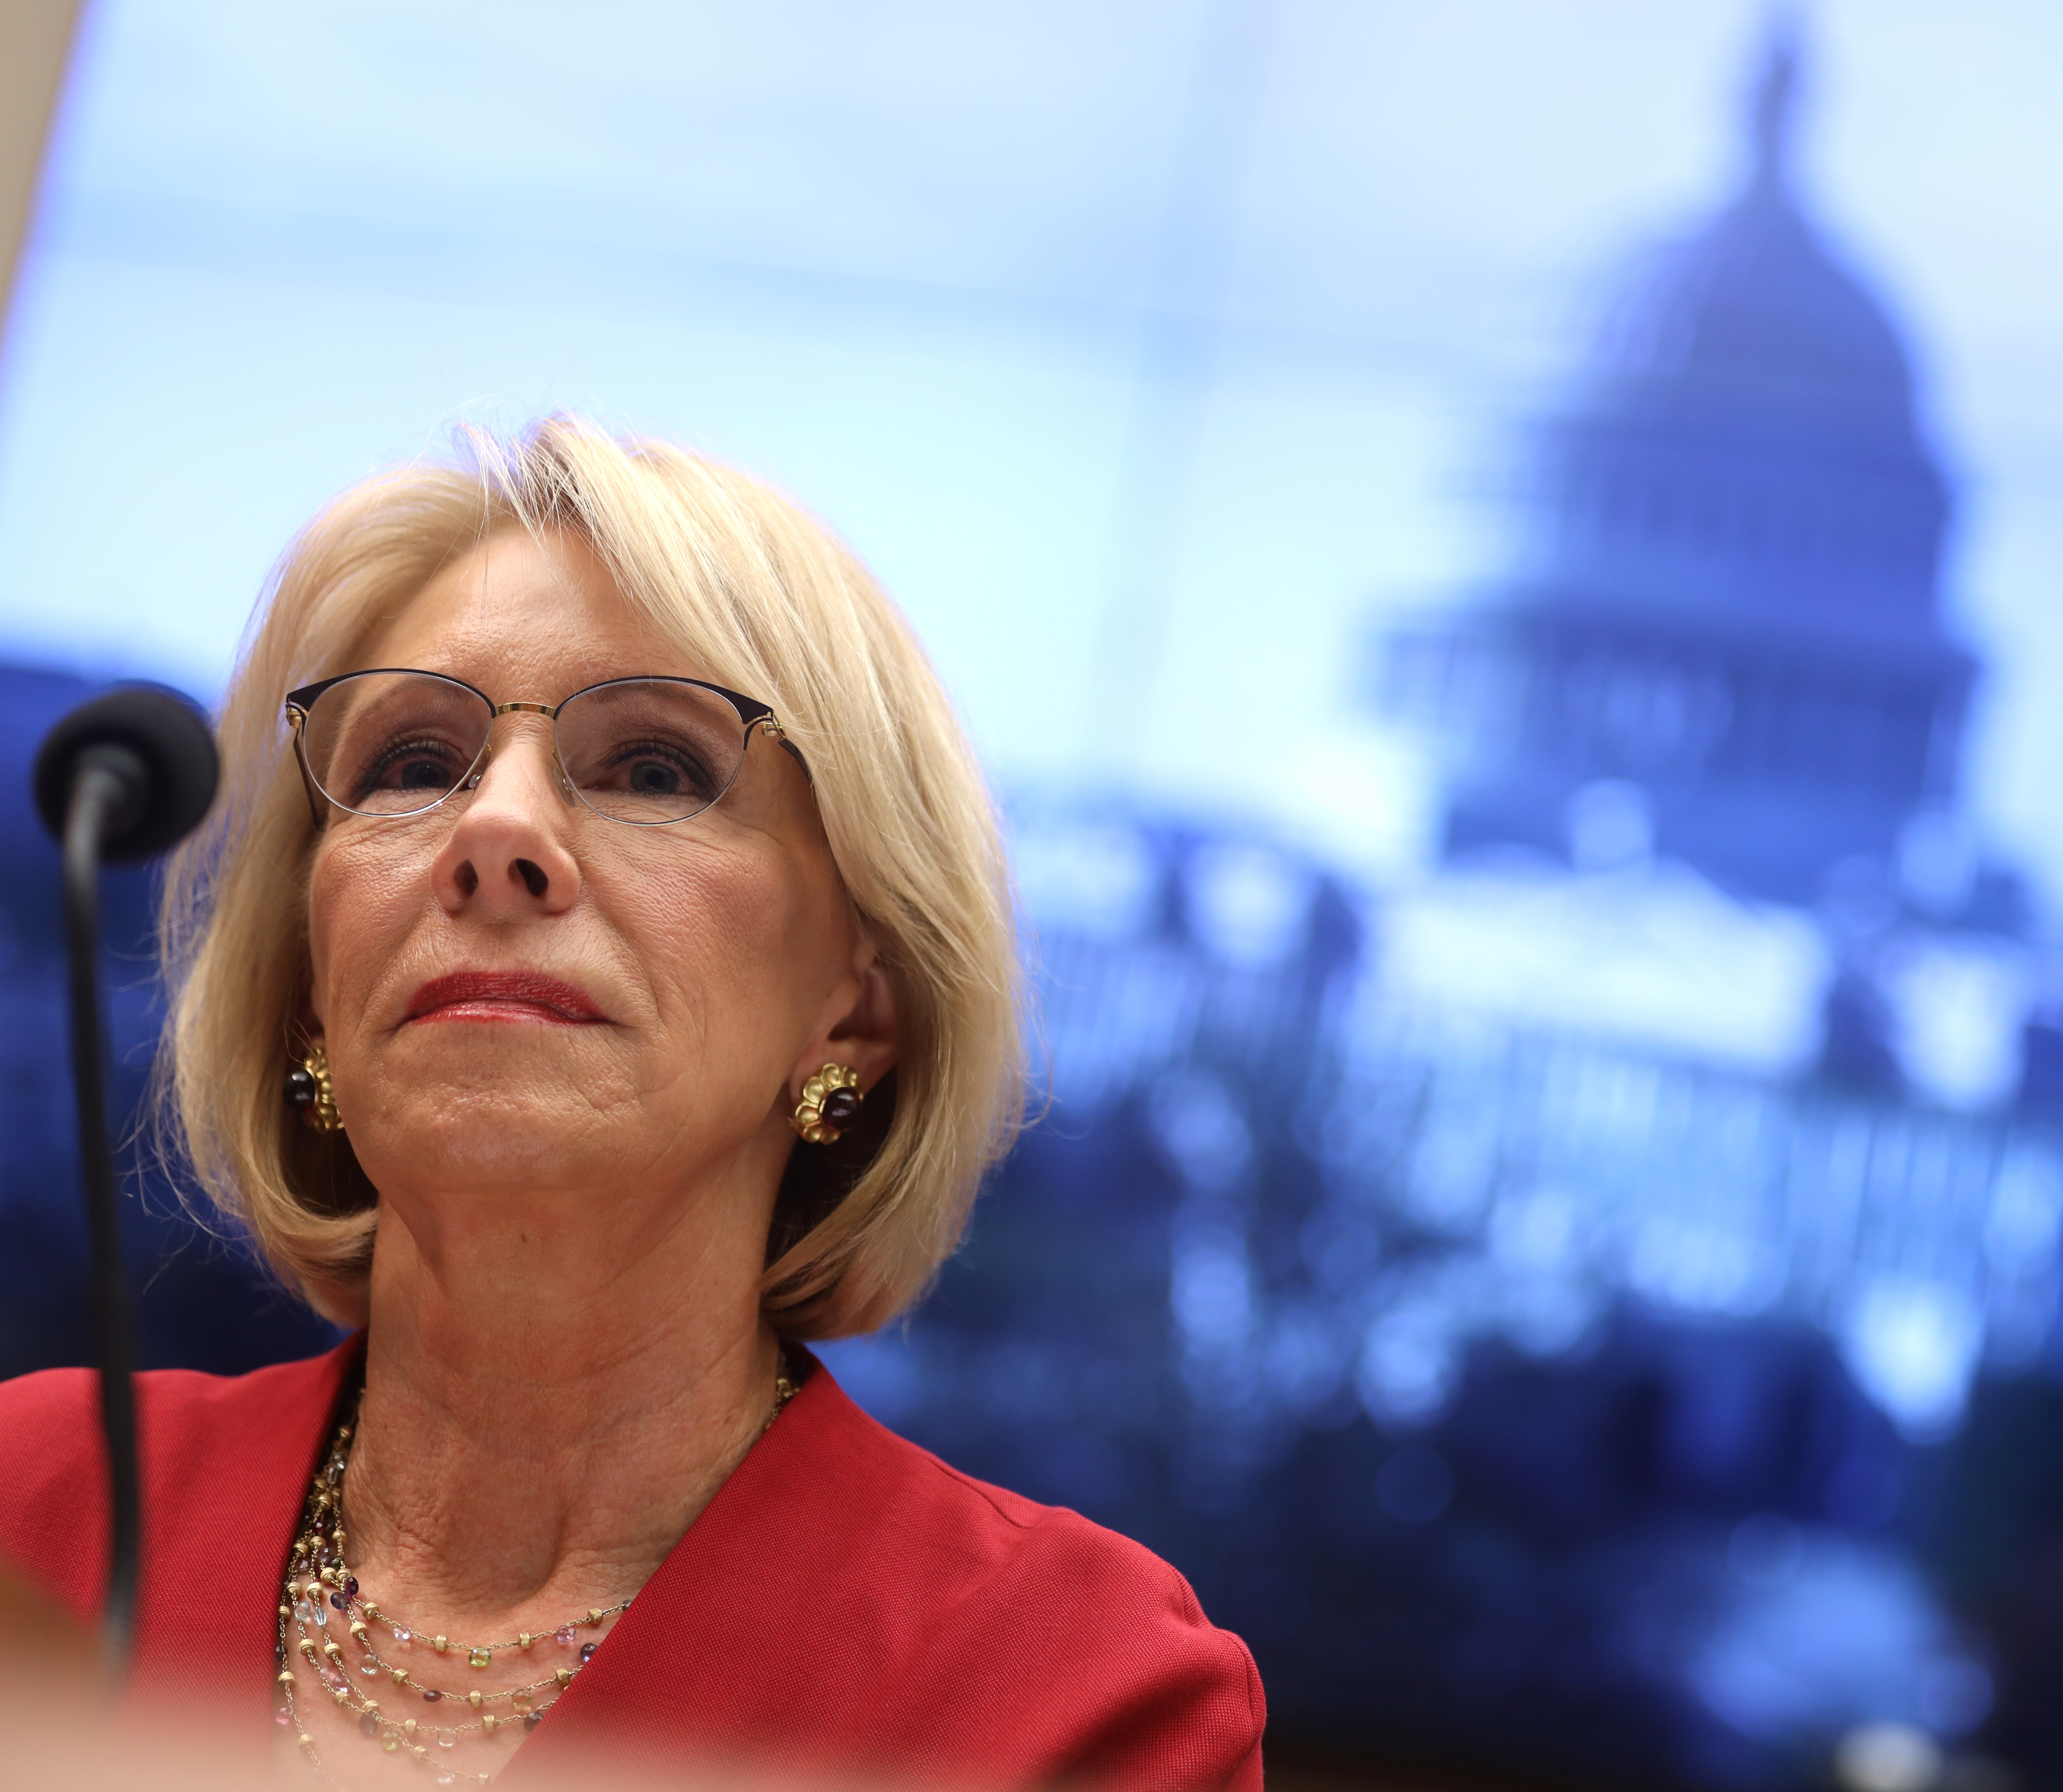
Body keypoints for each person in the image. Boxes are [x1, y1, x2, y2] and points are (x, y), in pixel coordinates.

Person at [0, 416, 1264, 1789]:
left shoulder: (1071, 1687)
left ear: (857, 1006)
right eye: (414, 765)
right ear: (310, 988)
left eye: (654, 768)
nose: (494, 834)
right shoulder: (28, 1513)